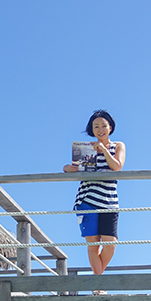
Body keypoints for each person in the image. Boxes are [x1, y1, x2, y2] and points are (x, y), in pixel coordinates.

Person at [63, 110, 126, 281]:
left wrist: (104, 150)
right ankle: (99, 285)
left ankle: (96, 280)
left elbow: (117, 167)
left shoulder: (118, 146)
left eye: (103, 126)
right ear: (92, 129)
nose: (100, 129)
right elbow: (77, 170)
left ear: (110, 128)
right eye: (96, 126)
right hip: (87, 200)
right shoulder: (86, 149)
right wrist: (67, 168)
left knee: (110, 244)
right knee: (93, 244)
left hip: (109, 201)